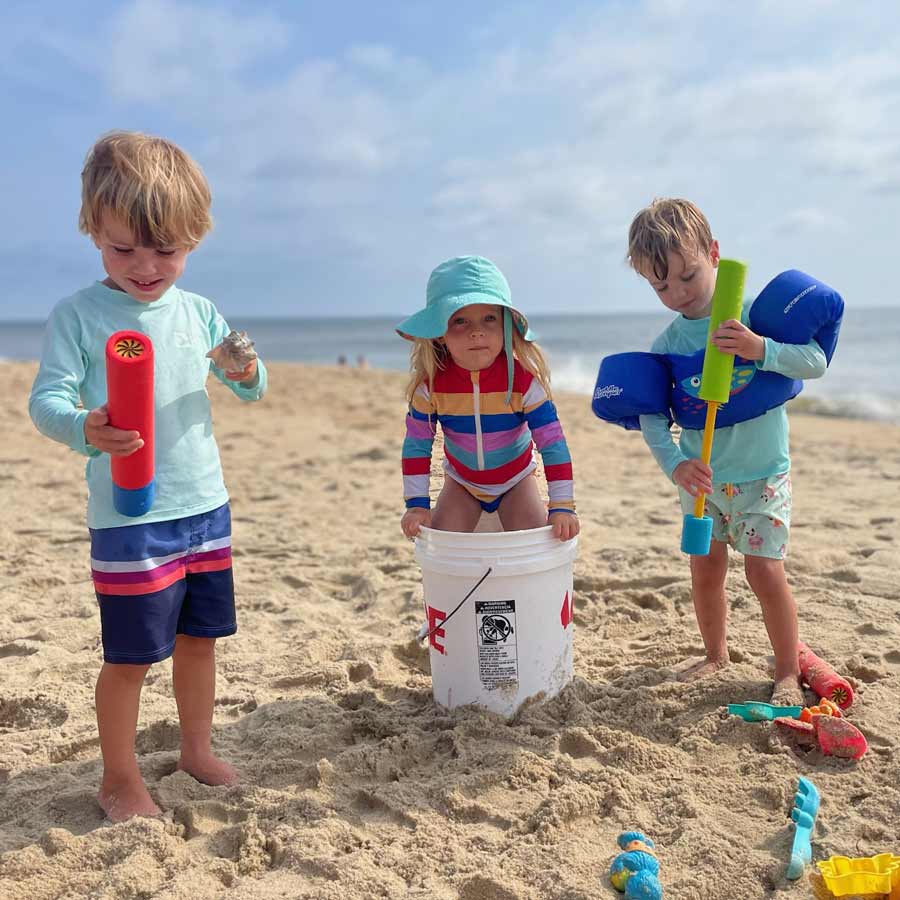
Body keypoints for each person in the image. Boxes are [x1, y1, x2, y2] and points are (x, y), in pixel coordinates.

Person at [29, 131, 267, 822]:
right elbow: (47, 400)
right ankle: (118, 777)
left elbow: (249, 385)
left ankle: (195, 748)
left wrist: (245, 371)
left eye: (166, 250)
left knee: (200, 641)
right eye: (123, 247)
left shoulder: (198, 313)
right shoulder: (78, 316)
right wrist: (84, 426)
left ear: (194, 238)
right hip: (130, 516)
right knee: (131, 656)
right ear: (92, 230)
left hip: (205, 507)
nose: (145, 266)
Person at [628, 198, 826, 705]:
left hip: (763, 475)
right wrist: (675, 465)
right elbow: (652, 417)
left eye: (687, 276)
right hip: (704, 483)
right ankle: (715, 654)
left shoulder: (755, 316)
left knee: (763, 571)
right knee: (706, 568)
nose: (677, 294)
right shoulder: (668, 344)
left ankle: (786, 670)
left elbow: (815, 362)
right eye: (661, 286)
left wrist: (761, 348)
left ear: (714, 254)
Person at [397, 255, 579, 542]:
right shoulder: (431, 387)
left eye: (489, 318)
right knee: (444, 543)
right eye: (460, 320)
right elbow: (416, 446)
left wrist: (563, 506)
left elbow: (552, 443)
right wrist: (417, 505)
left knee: (535, 541)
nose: (476, 331)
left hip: (516, 481)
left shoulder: (523, 382)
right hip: (462, 483)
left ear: (506, 326)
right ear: (440, 332)